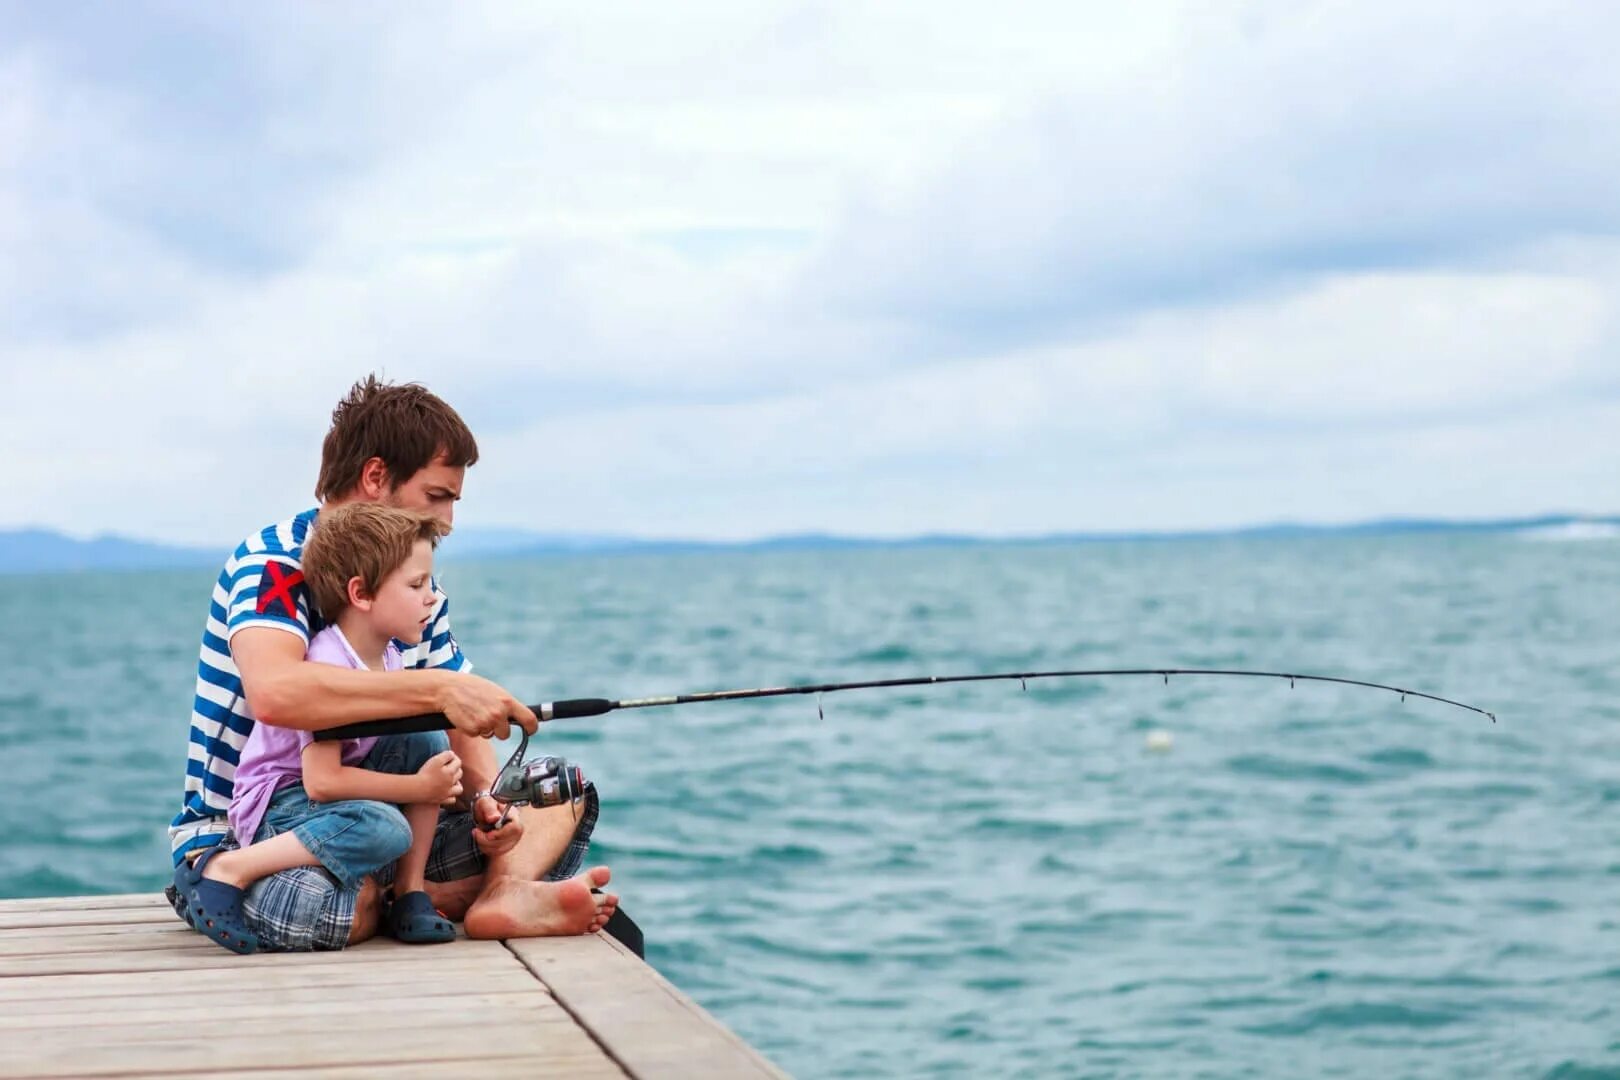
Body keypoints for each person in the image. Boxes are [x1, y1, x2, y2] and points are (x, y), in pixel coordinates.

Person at [167, 375, 618, 951]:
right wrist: (436, 691)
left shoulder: (412, 585)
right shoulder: (275, 564)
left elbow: (458, 716)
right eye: (436, 496)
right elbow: (276, 693)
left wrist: (490, 805)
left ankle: (500, 891)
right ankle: (421, 896)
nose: (450, 520)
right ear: (376, 478)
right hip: (253, 831)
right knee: (334, 905)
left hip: (377, 811)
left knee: (559, 794)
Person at [176, 504, 489, 953]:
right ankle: (229, 870)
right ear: (361, 594)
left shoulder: (391, 657)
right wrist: (418, 788)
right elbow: (322, 782)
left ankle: (410, 893)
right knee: (386, 827)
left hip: (326, 799)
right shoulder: (329, 661)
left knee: (428, 739)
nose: (432, 598)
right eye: (417, 585)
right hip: (280, 803)